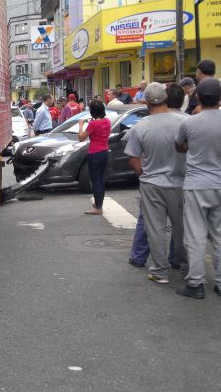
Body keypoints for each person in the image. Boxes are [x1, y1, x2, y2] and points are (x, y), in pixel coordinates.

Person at [124, 82, 188, 285]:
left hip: (152, 183)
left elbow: (133, 159)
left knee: (156, 229)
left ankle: (160, 271)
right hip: (181, 182)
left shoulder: (140, 126)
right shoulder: (185, 121)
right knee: (183, 228)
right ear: (166, 98)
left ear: (146, 102)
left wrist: (144, 175)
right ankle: (187, 267)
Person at [174, 78, 221, 299]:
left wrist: (190, 146)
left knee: (195, 236)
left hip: (196, 185)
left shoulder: (189, 123)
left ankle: (196, 283)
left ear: (198, 97)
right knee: (219, 235)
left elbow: (179, 145)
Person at [78, 100, 111, 215]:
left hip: (94, 153)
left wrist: (81, 125)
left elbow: (81, 138)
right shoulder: (107, 121)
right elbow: (99, 128)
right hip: (105, 151)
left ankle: (98, 207)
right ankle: (99, 202)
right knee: (101, 179)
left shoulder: (93, 124)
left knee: (95, 180)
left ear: (92, 111)